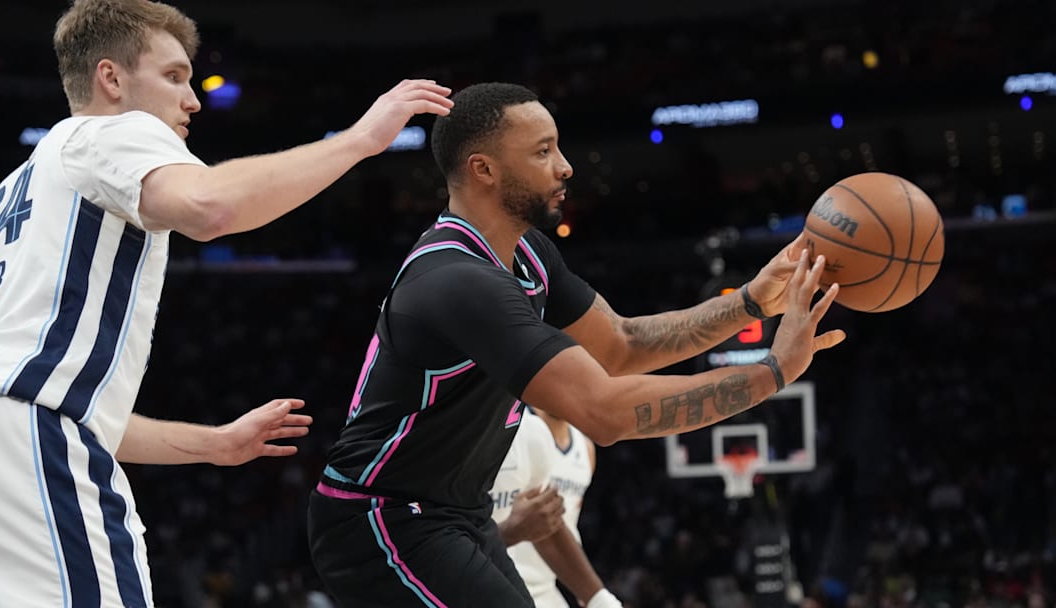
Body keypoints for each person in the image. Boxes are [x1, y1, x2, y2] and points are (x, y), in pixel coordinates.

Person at [0, 0, 452, 605]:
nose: (193, 100)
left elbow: (65, 402)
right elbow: (210, 208)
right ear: (111, 79)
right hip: (28, 441)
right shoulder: (108, 131)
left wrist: (214, 444)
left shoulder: (13, 193)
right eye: (174, 76)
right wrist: (360, 141)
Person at [307, 82, 845, 608]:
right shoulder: (458, 279)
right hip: (379, 516)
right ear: (483, 169)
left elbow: (621, 345)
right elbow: (605, 413)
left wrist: (751, 302)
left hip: (457, 511)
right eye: (543, 151)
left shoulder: (528, 253)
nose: (565, 167)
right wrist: (773, 372)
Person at [491, 408, 623, 608]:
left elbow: (556, 525)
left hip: (547, 584)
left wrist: (592, 593)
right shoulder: (510, 427)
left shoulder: (584, 447)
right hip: (496, 579)